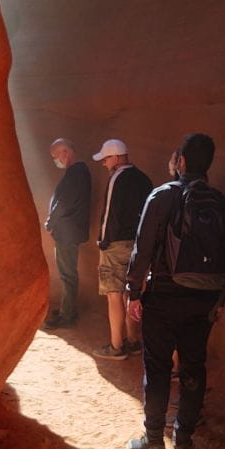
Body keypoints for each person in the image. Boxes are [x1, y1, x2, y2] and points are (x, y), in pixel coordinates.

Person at [124, 133, 225, 449]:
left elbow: (141, 249)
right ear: (209, 165)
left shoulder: (161, 196)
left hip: (163, 296)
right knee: (193, 366)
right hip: (203, 300)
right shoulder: (222, 204)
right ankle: (184, 440)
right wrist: (219, 300)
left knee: (157, 367)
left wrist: (133, 291)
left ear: (181, 161)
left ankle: (154, 440)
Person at [91, 139, 153, 360]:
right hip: (137, 246)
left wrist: (103, 240)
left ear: (116, 157)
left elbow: (109, 214)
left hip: (116, 244)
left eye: (106, 158)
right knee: (132, 293)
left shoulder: (117, 178)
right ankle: (134, 341)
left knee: (114, 295)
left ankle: (117, 346)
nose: (104, 163)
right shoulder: (143, 178)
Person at [42, 138, 91, 329]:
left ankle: (67, 315)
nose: (56, 160)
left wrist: (50, 222)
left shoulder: (76, 173)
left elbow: (63, 203)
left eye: (56, 156)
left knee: (67, 274)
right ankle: (67, 308)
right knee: (68, 273)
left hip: (67, 233)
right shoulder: (78, 172)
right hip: (70, 231)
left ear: (66, 152)